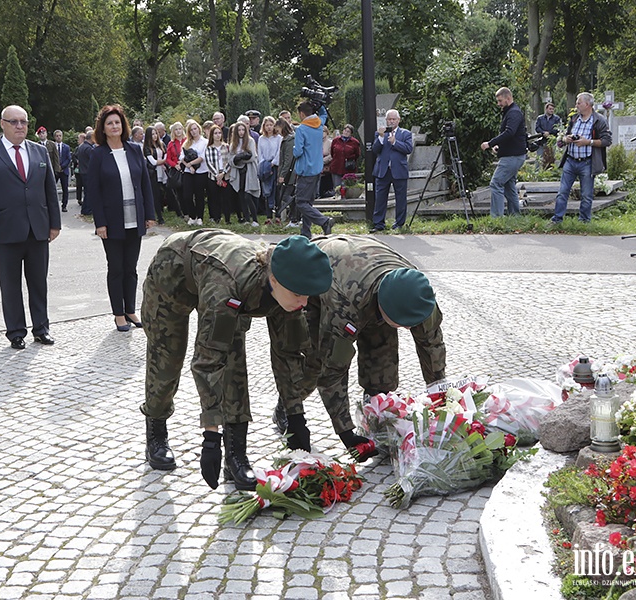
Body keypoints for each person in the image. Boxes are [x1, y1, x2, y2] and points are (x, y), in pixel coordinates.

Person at [140, 231, 333, 491]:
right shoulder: (227, 288)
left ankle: (236, 456)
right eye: (299, 295)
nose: (304, 301)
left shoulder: (289, 291)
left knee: (235, 362)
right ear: (273, 279)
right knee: (167, 360)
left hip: (227, 279)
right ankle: (156, 430)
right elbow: (207, 362)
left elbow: (288, 355)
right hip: (173, 277)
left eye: (307, 296)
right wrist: (210, 436)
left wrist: (296, 417)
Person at [274, 235, 446, 461]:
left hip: (370, 275)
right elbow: (333, 371)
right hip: (326, 281)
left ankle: (377, 415)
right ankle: (287, 408)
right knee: (314, 362)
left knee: (382, 351)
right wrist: (346, 432)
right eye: (401, 324)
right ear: (384, 309)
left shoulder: (416, 293)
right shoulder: (344, 305)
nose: (407, 329)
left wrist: (439, 393)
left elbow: (431, 342)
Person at [0, 105, 61, 350]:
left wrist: (55, 223)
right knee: (10, 285)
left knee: (38, 283)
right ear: (2, 124)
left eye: (23, 121)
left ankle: (41, 328)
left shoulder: (39, 152)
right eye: (14, 122)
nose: (20, 126)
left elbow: (49, 190)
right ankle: (15, 332)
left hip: (38, 229)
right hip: (4, 230)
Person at [86, 104, 157, 332]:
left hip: (134, 218)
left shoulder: (134, 149)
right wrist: (100, 223)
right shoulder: (97, 154)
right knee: (115, 268)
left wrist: (149, 214)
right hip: (112, 221)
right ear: (103, 128)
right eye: (109, 123)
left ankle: (131, 310)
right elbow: (94, 191)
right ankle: (118, 314)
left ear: (123, 125)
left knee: (131, 268)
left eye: (117, 122)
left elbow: (145, 184)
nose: (114, 126)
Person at [550, 92, 612, 225]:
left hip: (587, 162)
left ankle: (584, 221)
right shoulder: (574, 119)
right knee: (562, 192)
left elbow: (607, 141)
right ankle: (557, 219)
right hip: (571, 160)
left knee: (586, 195)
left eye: (579, 103)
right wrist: (566, 139)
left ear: (587, 104)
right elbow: (566, 135)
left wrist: (588, 142)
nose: (576, 105)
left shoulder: (599, 120)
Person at [482, 87, 528, 217]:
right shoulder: (511, 112)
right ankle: (515, 216)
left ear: (508, 98)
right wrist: (499, 146)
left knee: (495, 183)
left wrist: (490, 143)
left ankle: (496, 217)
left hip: (512, 157)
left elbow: (509, 132)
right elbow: (511, 135)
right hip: (513, 154)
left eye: (500, 100)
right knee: (509, 186)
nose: (499, 104)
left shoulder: (513, 113)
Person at [293, 100, 334, 238]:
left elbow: (298, 152)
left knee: (300, 202)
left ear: (302, 114)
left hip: (305, 170)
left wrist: (294, 149)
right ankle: (305, 232)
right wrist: (320, 103)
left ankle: (324, 221)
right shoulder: (319, 124)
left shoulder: (301, 129)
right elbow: (323, 114)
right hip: (317, 169)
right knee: (308, 203)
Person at [371, 109, 413, 232]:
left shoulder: (405, 133)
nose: (391, 121)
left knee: (400, 198)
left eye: (394, 119)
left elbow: (408, 149)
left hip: (398, 170)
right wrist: (381, 137)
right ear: (386, 120)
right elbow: (375, 149)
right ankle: (379, 224)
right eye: (389, 119)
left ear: (398, 120)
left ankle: (399, 223)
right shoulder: (379, 133)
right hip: (382, 171)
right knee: (380, 198)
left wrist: (395, 142)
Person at [228, 120, 259, 227]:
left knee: (248, 195)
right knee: (241, 195)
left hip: (249, 170)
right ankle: (246, 218)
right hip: (238, 171)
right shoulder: (233, 144)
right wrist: (237, 159)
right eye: (239, 130)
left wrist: (243, 158)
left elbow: (253, 157)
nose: (241, 132)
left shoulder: (250, 141)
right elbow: (230, 159)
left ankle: (255, 219)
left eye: (243, 130)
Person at [180, 120, 208, 226]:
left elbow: (202, 157)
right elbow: (181, 156)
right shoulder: (187, 143)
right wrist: (188, 166)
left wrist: (191, 164)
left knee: (199, 195)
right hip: (188, 172)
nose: (193, 131)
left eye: (195, 129)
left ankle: (200, 217)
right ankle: (192, 216)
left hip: (201, 171)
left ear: (199, 129)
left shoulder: (204, 142)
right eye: (191, 130)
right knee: (187, 195)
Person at [143, 126, 173, 224]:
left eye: (156, 133)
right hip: (154, 173)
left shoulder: (162, 144)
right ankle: (159, 217)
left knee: (170, 191)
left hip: (164, 171)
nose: (155, 136)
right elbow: (153, 162)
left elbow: (166, 154)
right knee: (155, 195)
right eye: (152, 134)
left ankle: (179, 212)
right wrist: (164, 161)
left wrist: (164, 161)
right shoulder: (147, 148)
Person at [204, 124, 233, 224]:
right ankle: (216, 218)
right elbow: (208, 162)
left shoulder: (226, 147)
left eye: (219, 133)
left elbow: (230, 161)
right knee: (214, 198)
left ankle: (227, 219)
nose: (218, 135)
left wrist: (223, 173)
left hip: (225, 175)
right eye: (215, 133)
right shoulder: (209, 148)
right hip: (213, 176)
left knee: (226, 198)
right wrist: (217, 175)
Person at [257, 115, 281, 222]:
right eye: (267, 125)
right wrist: (264, 164)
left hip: (275, 166)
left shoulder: (278, 138)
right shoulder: (261, 139)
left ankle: (278, 216)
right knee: (267, 191)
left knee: (277, 191)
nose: (269, 127)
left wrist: (273, 163)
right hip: (265, 166)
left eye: (271, 125)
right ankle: (268, 216)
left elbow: (279, 152)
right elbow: (260, 153)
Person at [275, 118, 298, 227]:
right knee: (288, 196)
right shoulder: (287, 139)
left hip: (290, 174)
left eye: (278, 129)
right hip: (288, 172)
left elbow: (288, 159)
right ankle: (294, 217)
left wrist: (282, 175)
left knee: (286, 196)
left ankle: (296, 216)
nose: (277, 132)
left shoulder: (289, 140)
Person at [164, 121, 187, 221]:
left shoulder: (187, 141)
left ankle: (191, 212)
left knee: (189, 192)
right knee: (180, 193)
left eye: (180, 129)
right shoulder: (171, 143)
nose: (178, 131)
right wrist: (174, 165)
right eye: (176, 129)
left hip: (187, 168)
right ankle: (184, 212)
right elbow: (168, 158)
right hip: (176, 170)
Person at [329, 123, 361, 189]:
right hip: (336, 167)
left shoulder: (355, 142)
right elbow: (332, 152)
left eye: (348, 131)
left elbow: (357, 154)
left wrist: (350, 159)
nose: (346, 132)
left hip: (348, 168)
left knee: (348, 187)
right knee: (337, 187)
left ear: (351, 133)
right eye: (345, 130)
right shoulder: (336, 140)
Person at [53, 130, 72, 212]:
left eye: (60, 135)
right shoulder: (52, 146)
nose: (58, 137)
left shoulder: (66, 147)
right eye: (57, 136)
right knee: (52, 188)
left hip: (64, 170)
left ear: (62, 136)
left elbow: (68, 158)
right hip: (55, 171)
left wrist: (62, 166)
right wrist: (56, 167)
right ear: (54, 137)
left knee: (65, 189)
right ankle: (53, 205)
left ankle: (64, 205)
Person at [76, 131, 95, 215]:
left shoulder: (81, 146)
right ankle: (87, 209)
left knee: (87, 192)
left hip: (82, 171)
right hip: (88, 172)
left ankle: (85, 209)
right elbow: (93, 161)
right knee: (89, 192)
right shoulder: (89, 148)